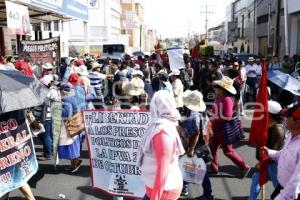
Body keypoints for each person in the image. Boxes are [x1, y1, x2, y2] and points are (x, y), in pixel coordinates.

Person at [138, 90, 185, 200]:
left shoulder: (163, 131)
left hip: (163, 192)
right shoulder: (160, 124)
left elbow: (163, 170)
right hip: (157, 189)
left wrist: (155, 198)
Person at [209, 76, 250, 177]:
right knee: (212, 148)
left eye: (218, 86)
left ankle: (244, 166)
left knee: (228, 151)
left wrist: (214, 119)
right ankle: (214, 167)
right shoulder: (219, 97)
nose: (215, 88)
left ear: (222, 88)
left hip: (224, 129)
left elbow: (227, 117)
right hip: (217, 128)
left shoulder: (227, 99)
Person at [180, 90, 214, 200]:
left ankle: (208, 194)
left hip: (195, 146)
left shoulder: (193, 115)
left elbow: (195, 133)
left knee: (199, 170)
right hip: (201, 144)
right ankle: (184, 187)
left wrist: (191, 148)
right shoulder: (201, 113)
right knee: (187, 166)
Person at [248, 101, 285, 200]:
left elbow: (273, 151)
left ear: (269, 114)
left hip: (274, 164)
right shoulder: (267, 124)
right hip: (265, 161)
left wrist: (262, 163)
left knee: (279, 187)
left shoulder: (278, 129)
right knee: (256, 180)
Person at [263, 104, 300, 200]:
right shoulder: (291, 135)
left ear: (297, 122)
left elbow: (296, 182)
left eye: (288, 116)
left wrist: (282, 197)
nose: (285, 118)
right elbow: (282, 154)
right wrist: (269, 152)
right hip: (283, 186)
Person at [58, 83, 82, 173]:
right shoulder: (72, 98)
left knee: (71, 145)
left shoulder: (66, 100)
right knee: (73, 144)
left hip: (69, 126)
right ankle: (74, 163)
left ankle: (75, 163)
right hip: (74, 124)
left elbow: (66, 114)